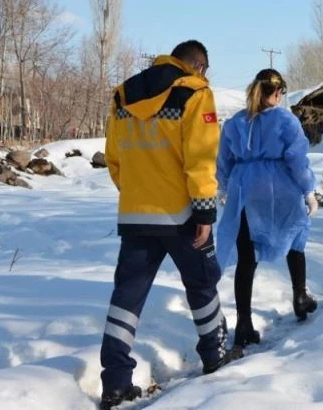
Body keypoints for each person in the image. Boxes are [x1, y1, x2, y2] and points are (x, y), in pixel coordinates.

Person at [100, 40, 230, 410]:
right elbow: (201, 160)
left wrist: (137, 193)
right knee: (202, 284)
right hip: (181, 215)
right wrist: (204, 214)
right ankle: (214, 355)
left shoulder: (124, 95)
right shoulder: (195, 93)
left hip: (136, 212)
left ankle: (115, 381)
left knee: (127, 297)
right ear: (199, 66)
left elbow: (114, 158)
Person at [215, 68, 319, 350]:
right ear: (276, 92)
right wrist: (309, 191)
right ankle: (300, 296)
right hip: (280, 188)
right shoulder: (285, 119)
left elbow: (223, 159)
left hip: (244, 189)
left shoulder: (236, 122)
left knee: (247, 256)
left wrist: (224, 188)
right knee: (296, 238)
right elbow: (297, 158)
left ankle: (244, 323)